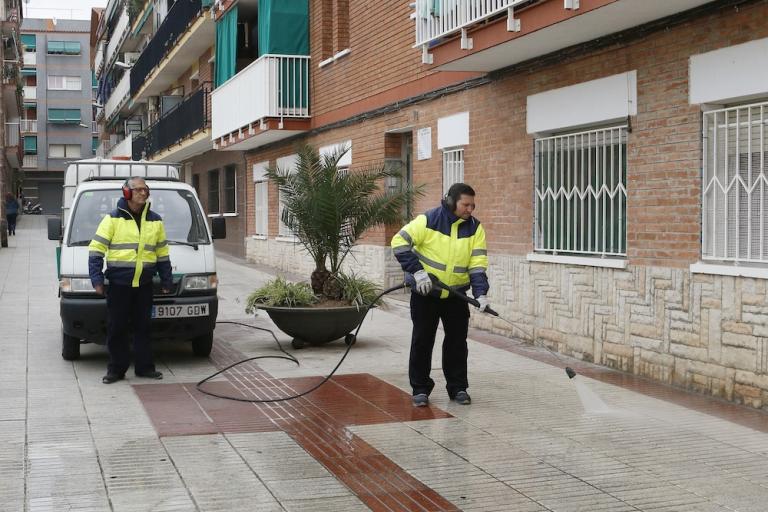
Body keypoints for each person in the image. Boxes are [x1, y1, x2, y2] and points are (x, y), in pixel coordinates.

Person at [391, 183, 490, 407]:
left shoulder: (475, 228)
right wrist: (418, 273)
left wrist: (481, 294)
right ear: (451, 201)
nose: (470, 209)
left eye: (473, 205)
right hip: (426, 294)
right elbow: (399, 241)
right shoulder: (428, 220)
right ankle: (420, 389)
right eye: (465, 205)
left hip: (456, 296)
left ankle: (458, 388)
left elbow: (477, 264)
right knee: (422, 341)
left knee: (457, 344)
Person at [88, 177, 172, 384]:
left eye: (146, 190)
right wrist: (97, 280)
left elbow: (162, 253)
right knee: (117, 328)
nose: (143, 193)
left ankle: (145, 368)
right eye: (138, 190)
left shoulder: (155, 220)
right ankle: (116, 370)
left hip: (144, 285)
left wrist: (166, 280)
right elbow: (96, 250)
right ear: (127, 192)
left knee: (144, 327)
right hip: (119, 285)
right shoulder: (112, 219)